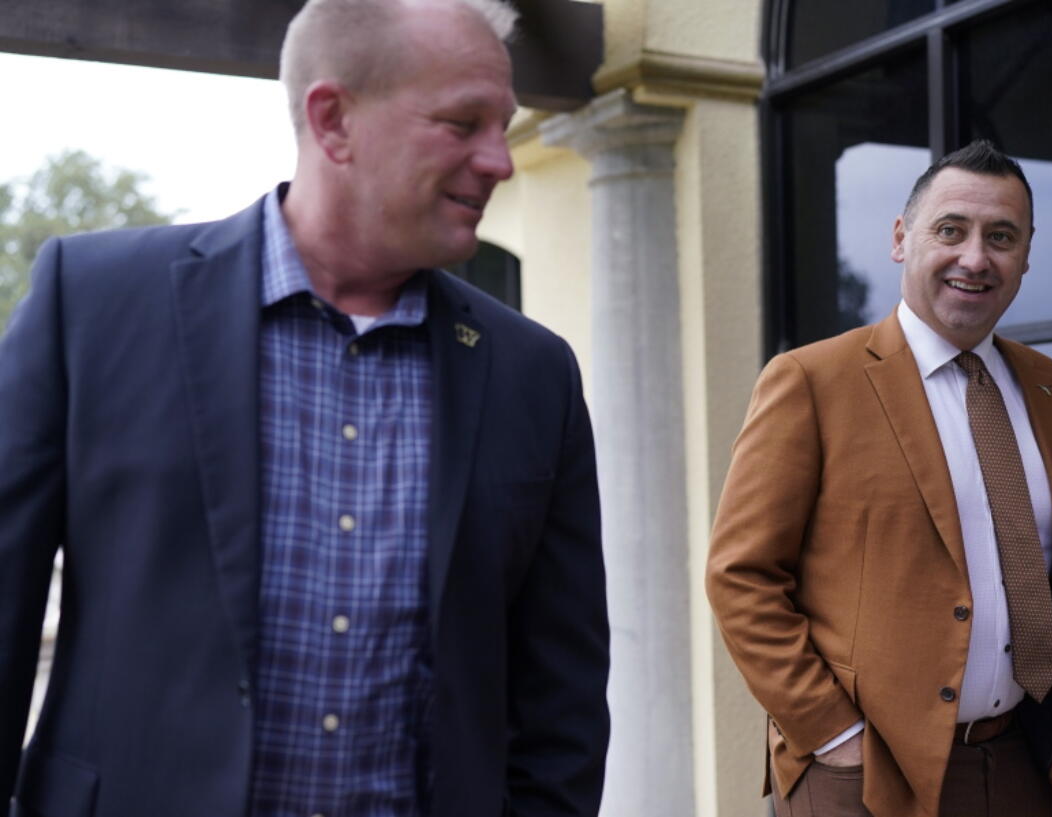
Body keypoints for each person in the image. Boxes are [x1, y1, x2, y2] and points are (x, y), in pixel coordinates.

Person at [0, 1, 609, 815]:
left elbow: (560, 700)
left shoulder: (534, 373)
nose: (499, 160)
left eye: (503, 125)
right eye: (463, 123)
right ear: (333, 120)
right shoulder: (95, 304)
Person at [706, 140, 1052, 817]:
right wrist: (833, 732)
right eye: (952, 229)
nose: (976, 257)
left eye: (1001, 237)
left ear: (1026, 256)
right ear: (900, 238)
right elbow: (741, 575)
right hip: (865, 775)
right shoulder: (812, 381)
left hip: (1020, 761)